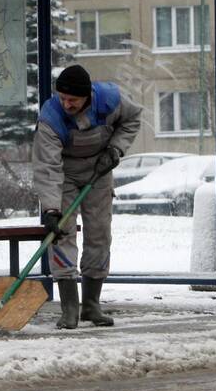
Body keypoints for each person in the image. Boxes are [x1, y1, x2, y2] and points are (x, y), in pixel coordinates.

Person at [33, 64, 142, 328]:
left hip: (99, 170)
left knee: (99, 234)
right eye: (63, 98)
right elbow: (47, 167)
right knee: (62, 234)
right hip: (64, 176)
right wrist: (50, 209)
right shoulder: (51, 117)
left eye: (73, 99)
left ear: (88, 97)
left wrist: (115, 150)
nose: (67, 104)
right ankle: (69, 308)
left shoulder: (111, 100)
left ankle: (91, 305)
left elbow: (132, 120)